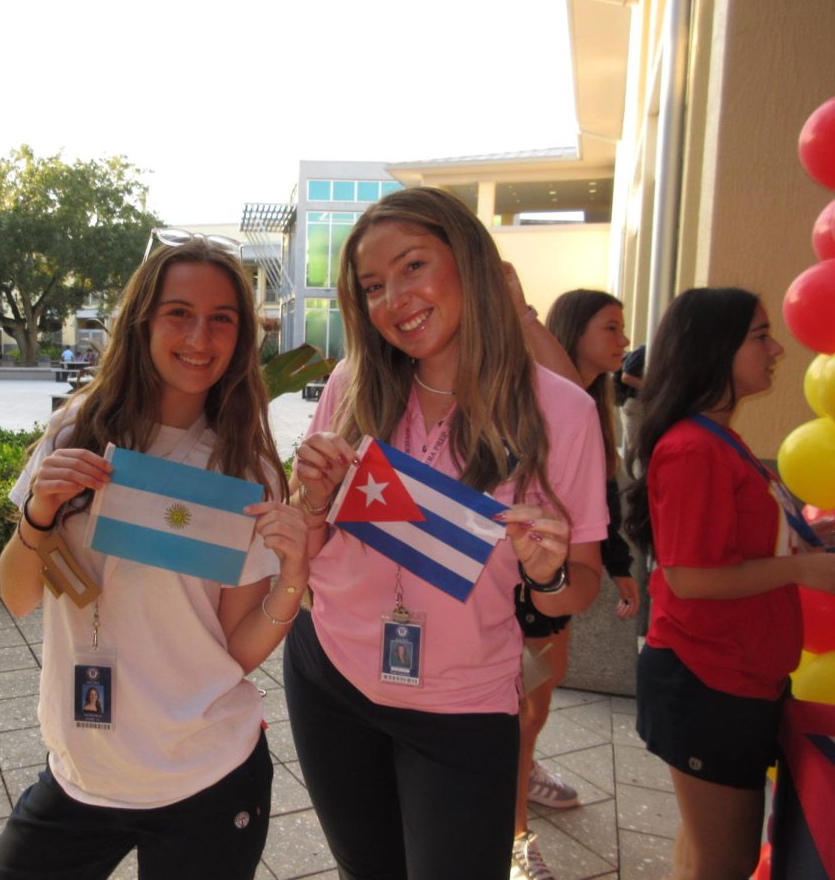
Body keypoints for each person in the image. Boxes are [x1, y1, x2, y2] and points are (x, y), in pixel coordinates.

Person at [286, 187, 608, 879]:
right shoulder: (354, 383)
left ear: (468, 261)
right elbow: (308, 552)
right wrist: (308, 501)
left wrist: (544, 571)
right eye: (373, 286)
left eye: (412, 267)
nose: (394, 299)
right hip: (331, 677)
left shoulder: (563, 413)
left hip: (462, 708)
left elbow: (573, 591)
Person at [0, 235, 310, 880]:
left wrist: (292, 579)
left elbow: (236, 651)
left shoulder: (245, 466)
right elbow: (18, 594)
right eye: (179, 312)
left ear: (242, 337)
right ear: (143, 322)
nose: (200, 336)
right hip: (83, 771)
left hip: (207, 770)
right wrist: (40, 513)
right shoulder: (78, 430)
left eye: (223, 318)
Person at [625, 287, 835, 880]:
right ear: (714, 348)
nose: (777, 350)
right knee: (725, 860)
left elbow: (736, 546)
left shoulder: (716, 438)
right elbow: (691, 577)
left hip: (729, 677)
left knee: (705, 853)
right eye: (761, 336)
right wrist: (802, 568)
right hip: (708, 680)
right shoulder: (694, 448)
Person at [496, 290, 641, 875]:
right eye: (610, 328)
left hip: (559, 578)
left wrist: (620, 565)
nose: (624, 343)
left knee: (538, 700)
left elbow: (598, 501)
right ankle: (514, 839)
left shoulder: (591, 403)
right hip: (522, 578)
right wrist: (524, 314)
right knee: (519, 713)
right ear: (573, 331)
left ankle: (521, 781)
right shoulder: (547, 394)